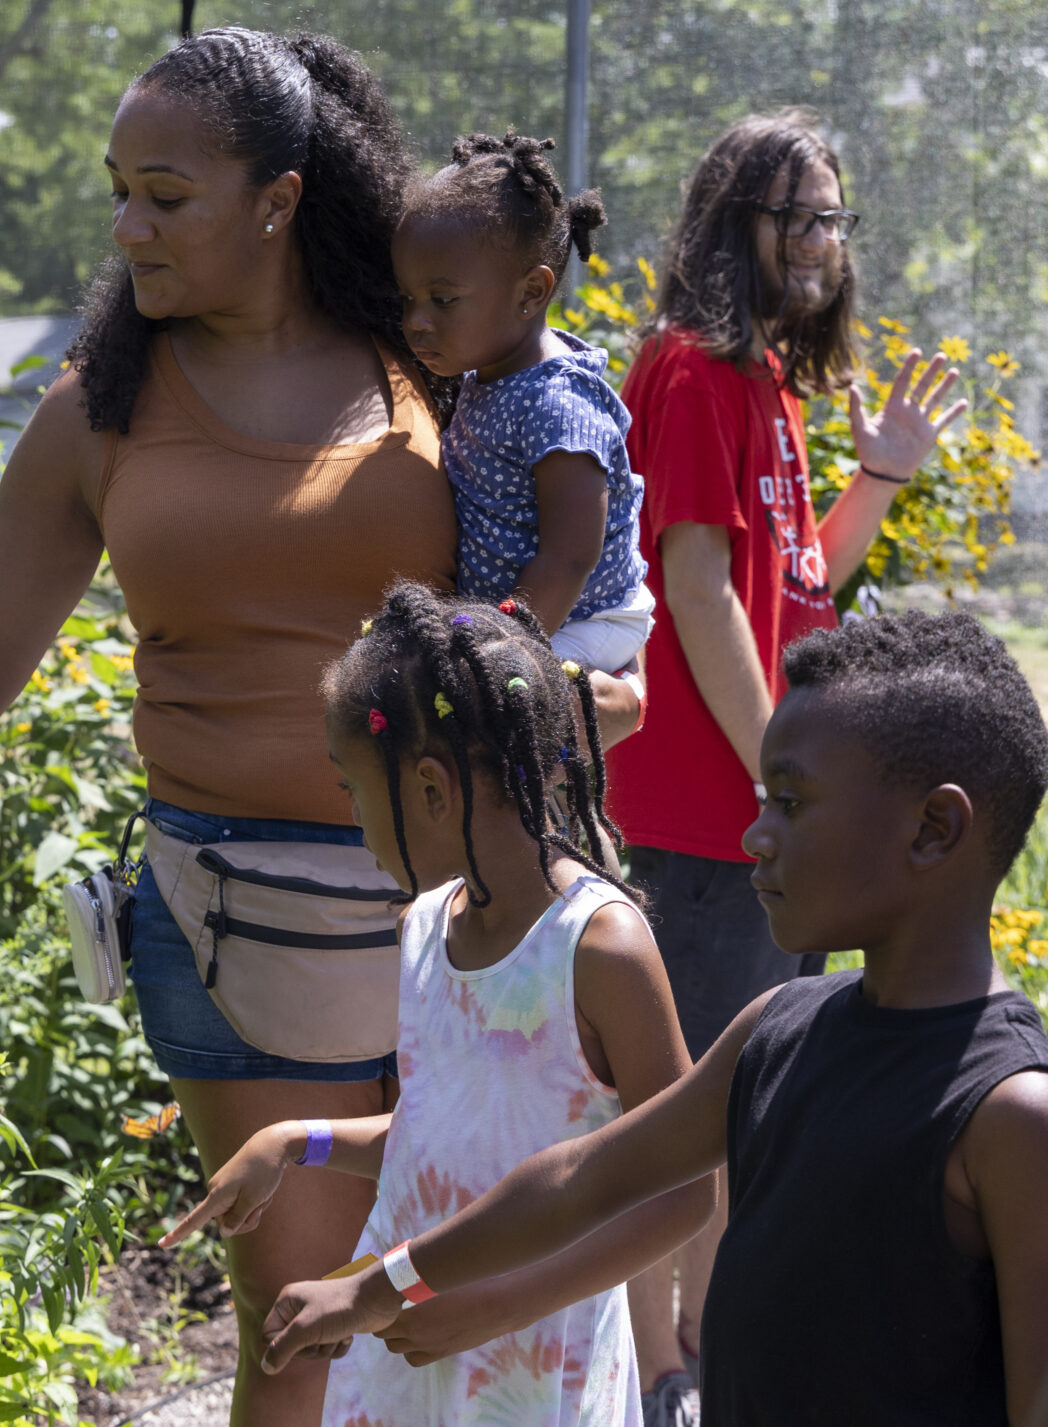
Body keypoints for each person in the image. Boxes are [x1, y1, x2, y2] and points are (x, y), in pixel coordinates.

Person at [0, 28, 638, 1423]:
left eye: (166, 194)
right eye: (118, 189)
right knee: (303, 1322)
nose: (129, 225)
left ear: (281, 198)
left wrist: (587, 688)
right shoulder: (105, 406)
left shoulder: (432, 364)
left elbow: (575, 549)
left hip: (475, 894)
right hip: (243, 912)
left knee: (466, 1302)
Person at [256, 611, 1048, 1427]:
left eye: (791, 801)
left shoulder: (1011, 1118)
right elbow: (578, 1178)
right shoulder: (774, 1031)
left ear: (933, 828)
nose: (755, 835)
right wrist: (373, 1286)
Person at [604, 110, 967, 1418]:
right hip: (703, 821)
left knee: (740, 1103)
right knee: (684, 1105)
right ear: (732, 221)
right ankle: (657, 1374)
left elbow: (793, 581)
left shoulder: (761, 383)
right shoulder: (688, 372)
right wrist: (784, 777)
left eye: (832, 221)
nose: (822, 244)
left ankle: (696, 1351)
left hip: (752, 818)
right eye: (798, 217)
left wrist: (875, 476)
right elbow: (696, 589)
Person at [160, 584, 711, 1426]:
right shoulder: (424, 926)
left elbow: (682, 1191)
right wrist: (293, 1142)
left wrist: (502, 1304)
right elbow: (445, 1137)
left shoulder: (599, 947)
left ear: (429, 788)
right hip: (411, 1356)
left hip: (532, 1371)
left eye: (353, 787)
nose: (352, 814)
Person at [395, 132, 653, 671]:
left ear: (531, 293)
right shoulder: (489, 373)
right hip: (531, 618)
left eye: (443, 300)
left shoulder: (556, 402)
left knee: (495, 712)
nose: (416, 321)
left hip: (583, 621)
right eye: (409, 298)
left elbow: (571, 553)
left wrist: (502, 646)